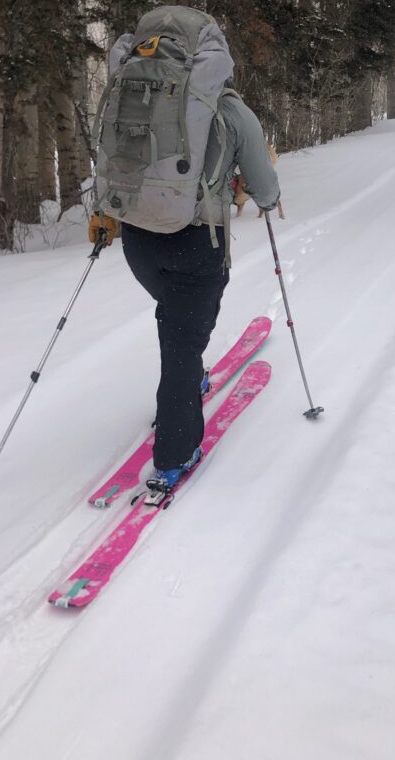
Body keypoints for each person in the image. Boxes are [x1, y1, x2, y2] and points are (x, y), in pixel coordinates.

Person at [89, 30, 279, 492]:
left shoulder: (135, 98)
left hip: (139, 242)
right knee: (181, 341)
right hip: (197, 247)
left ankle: (188, 377)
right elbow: (265, 186)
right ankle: (175, 454)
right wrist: (266, 198)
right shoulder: (232, 110)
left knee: (174, 319)